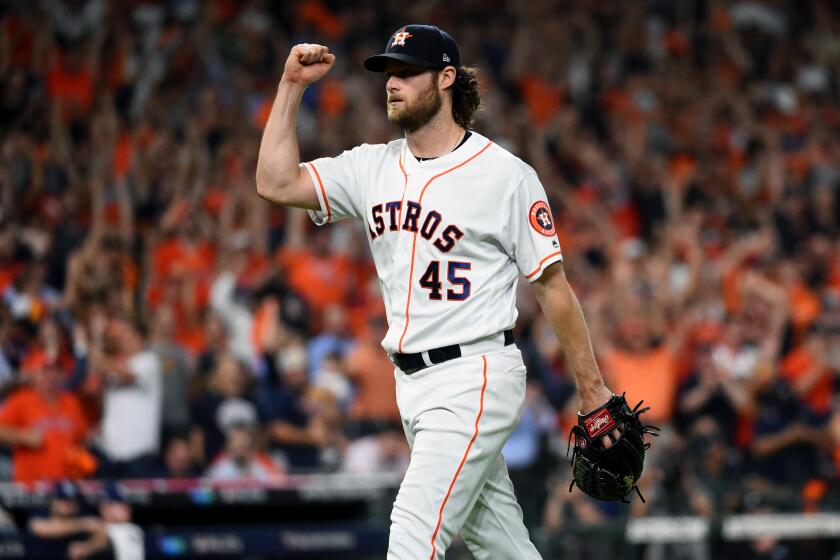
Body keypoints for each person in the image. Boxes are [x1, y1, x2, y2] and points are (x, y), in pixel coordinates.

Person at [256, 24, 615, 559]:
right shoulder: (371, 167)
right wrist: (290, 87)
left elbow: (553, 289)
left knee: (413, 529)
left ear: (446, 78)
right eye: (388, 73)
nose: (392, 83)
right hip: (413, 387)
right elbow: (276, 183)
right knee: (502, 545)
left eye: (407, 72)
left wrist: (592, 393)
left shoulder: (505, 175)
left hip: (476, 375)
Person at [0, 350, 91, 484]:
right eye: (46, 370)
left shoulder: (72, 402)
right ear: (34, 374)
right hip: (32, 489)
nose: (52, 376)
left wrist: (79, 472)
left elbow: (81, 439)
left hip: (67, 488)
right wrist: (21, 436)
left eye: (57, 370)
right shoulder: (21, 400)